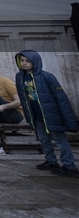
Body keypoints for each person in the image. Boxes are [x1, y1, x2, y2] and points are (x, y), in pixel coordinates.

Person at [15, 50, 78, 178]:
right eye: (22, 61)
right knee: (43, 139)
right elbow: (23, 97)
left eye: (28, 61)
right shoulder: (20, 77)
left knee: (60, 140)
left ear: (35, 62)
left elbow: (61, 97)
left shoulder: (47, 77)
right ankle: (51, 161)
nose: (24, 64)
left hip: (51, 114)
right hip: (36, 114)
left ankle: (69, 165)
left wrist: (69, 118)